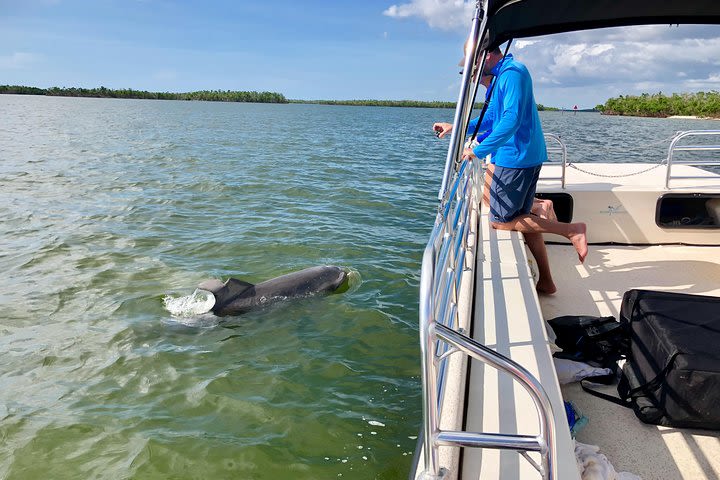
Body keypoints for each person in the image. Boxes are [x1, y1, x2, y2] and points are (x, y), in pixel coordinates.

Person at [433, 47, 587, 295]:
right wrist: (456, 126)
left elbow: (511, 120)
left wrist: (478, 151)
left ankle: (572, 230)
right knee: (523, 218)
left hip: (516, 157)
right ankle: (546, 280)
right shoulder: (503, 75)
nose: (471, 72)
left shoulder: (512, 73)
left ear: (487, 55)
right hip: (524, 155)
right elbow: (492, 118)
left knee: (499, 221)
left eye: (473, 65)